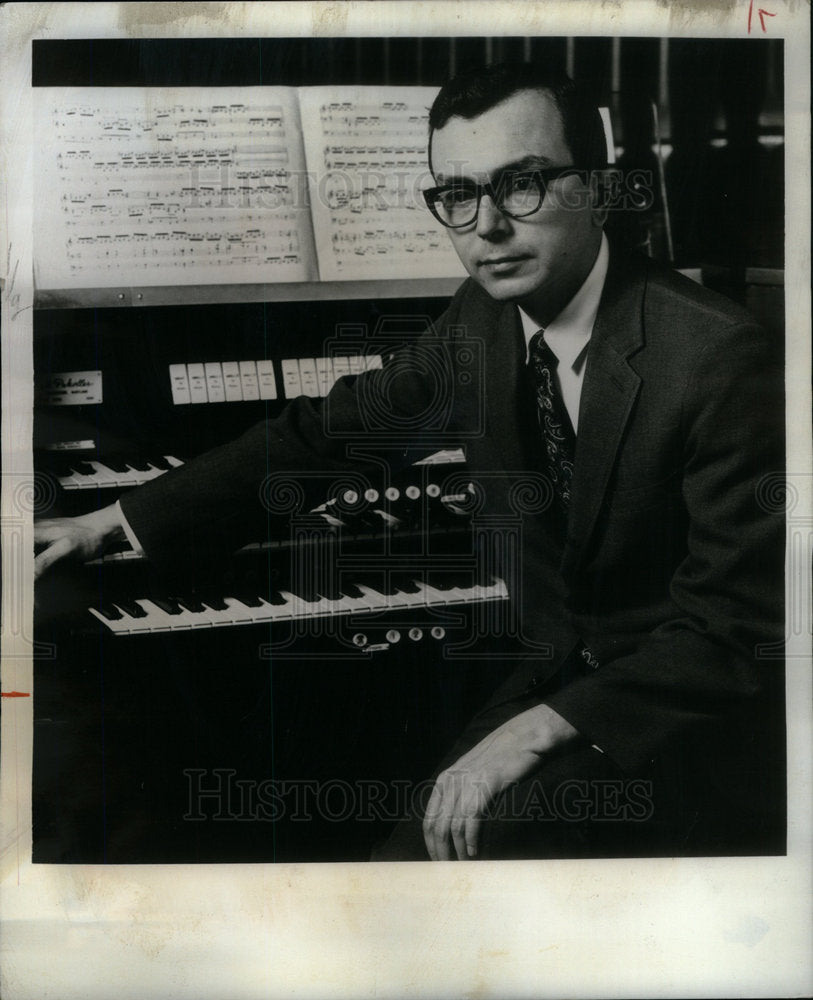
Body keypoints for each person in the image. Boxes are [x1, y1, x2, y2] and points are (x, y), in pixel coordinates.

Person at [34, 63, 785, 862]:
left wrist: (533, 733)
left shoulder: (714, 355)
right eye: (458, 195)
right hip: (556, 677)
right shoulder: (486, 320)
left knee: (423, 877)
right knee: (398, 863)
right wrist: (111, 522)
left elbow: (734, 633)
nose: (486, 226)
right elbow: (326, 433)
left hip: (679, 723)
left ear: (595, 189)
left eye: (522, 184)